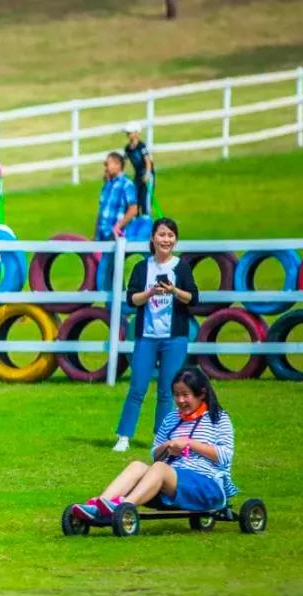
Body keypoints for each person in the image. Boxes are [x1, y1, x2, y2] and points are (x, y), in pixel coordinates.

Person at [72, 367, 235, 521]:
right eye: (176, 395)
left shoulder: (218, 418)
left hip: (207, 485)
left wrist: (189, 443)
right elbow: (155, 454)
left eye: (186, 395)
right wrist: (168, 447)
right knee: (137, 465)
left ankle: (124, 507)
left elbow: (225, 455)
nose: (180, 400)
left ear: (201, 394)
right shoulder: (172, 418)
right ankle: (100, 504)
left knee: (159, 468)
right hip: (172, 479)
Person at [113, 217, 199, 452]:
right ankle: (124, 436)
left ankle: (160, 438)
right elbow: (131, 300)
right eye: (162, 234)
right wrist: (150, 292)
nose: (166, 239)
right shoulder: (143, 267)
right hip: (146, 337)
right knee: (137, 387)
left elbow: (193, 298)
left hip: (175, 338)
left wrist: (174, 290)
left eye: (171, 235)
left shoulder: (181, 267)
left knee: (166, 391)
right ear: (153, 238)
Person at [94, 152, 138, 242]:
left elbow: (133, 210)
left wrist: (117, 227)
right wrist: (95, 235)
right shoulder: (107, 185)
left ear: (118, 165)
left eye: (107, 164)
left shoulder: (127, 184)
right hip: (101, 235)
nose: (105, 168)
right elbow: (101, 210)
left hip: (115, 236)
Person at [123, 122, 154, 217]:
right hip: (137, 176)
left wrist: (147, 174)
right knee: (135, 199)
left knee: (145, 200)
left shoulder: (141, 146)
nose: (128, 135)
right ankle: (137, 222)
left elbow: (148, 161)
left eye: (130, 133)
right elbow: (124, 161)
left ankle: (148, 223)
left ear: (136, 133)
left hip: (146, 175)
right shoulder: (128, 148)